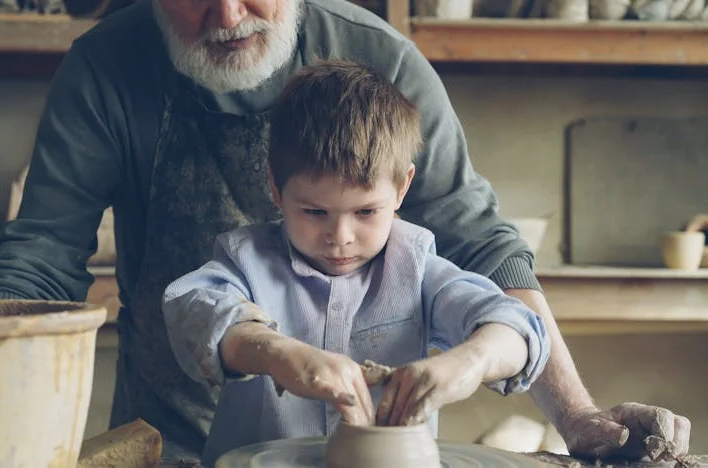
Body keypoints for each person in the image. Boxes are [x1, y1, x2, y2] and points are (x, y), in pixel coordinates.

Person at [0, 0, 691, 463]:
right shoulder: (107, 68)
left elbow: (486, 257)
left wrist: (576, 417)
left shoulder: (383, 65)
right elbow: (45, 259)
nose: (226, 14)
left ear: (397, 193)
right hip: (174, 441)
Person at [160, 59, 552, 466]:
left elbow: (519, 327)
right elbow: (192, 309)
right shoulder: (248, 259)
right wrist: (278, 353)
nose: (340, 237)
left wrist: (468, 363)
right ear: (276, 189)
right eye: (314, 212)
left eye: (366, 213)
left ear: (402, 189)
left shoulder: (417, 269)